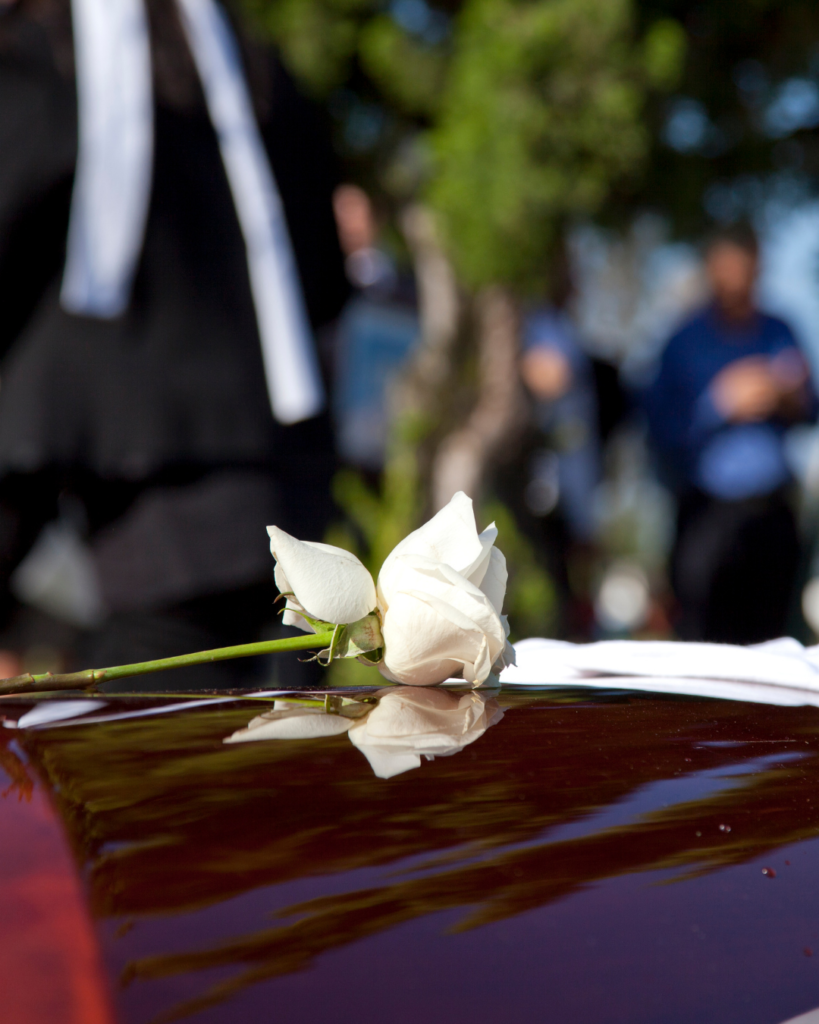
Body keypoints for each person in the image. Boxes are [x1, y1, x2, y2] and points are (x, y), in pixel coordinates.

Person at [0, 0, 348, 687]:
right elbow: (325, 279)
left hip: (140, 514)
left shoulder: (39, 56)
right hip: (280, 504)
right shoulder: (253, 68)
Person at [644, 224, 816, 644]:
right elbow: (660, 431)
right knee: (704, 646)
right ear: (712, 269)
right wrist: (720, 403)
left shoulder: (780, 332)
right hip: (708, 515)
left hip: (772, 515)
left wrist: (788, 397)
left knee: (772, 648)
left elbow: (810, 409)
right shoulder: (683, 342)